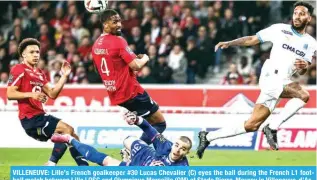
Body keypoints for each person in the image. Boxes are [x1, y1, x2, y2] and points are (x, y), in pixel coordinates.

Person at [196, 1, 316, 158]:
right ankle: (272, 127)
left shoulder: (311, 43)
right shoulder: (280, 29)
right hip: (270, 77)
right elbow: (253, 39)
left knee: (252, 125)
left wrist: (303, 67)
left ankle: (207, 137)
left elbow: (302, 70)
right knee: (304, 95)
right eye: (295, 13)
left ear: (309, 18)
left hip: (283, 82)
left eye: (302, 14)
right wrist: (230, 43)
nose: (297, 16)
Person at [6, 38, 88, 166]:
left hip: (40, 116)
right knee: (67, 130)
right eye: (32, 52)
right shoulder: (18, 69)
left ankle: (81, 168)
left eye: (37, 52)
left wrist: (64, 76)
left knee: (72, 135)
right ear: (23, 54)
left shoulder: (39, 73)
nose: (36, 55)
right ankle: (53, 164)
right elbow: (10, 93)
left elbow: (52, 93)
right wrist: (31, 94)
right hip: (31, 118)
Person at [91, 9, 166, 145]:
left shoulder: (96, 44)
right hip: (131, 91)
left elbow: (99, 69)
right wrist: (146, 58)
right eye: (114, 22)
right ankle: (135, 152)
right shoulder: (118, 41)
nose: (119, 24)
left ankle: (136, 148)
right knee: (160, 124)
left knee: (149, 121)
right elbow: (136, 65)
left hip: (117, 95)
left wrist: (123, 71)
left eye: (119, 21)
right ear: (105, 24)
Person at [51, 111, 191, 166]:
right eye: (177, 145)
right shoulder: (165, 145)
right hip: (145, 155)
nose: (178, 150)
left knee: (106, 161)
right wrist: (136, 119)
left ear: (186, 153)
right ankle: (128, 153)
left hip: (135, 170)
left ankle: (70, 140)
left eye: (183, 149)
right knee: (129, 139)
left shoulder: (183, 168)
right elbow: (149, 128)